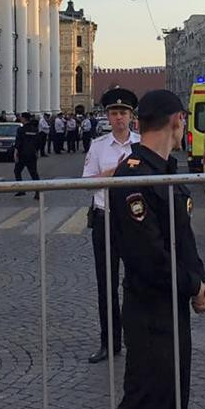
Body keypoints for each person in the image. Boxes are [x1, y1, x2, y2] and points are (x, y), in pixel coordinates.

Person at [106, 89, 205, 409]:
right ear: (177, 121)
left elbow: (183, 238)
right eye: (184, 121)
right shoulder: (133, 174)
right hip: (149, 308)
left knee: (174, 401)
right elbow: (148, 256)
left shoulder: (168, 170)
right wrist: (191, 284)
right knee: (144, 405)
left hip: (174, 307)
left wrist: (201, 281)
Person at [81, 87, 140, 364]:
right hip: (105, 218)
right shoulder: (98, 147)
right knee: (106, 283)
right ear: (107, 116)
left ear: (131, 116)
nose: (119, 118)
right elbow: (86, 182)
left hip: (136, 221)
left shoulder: (142, 145)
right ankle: (109, 341)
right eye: (114, 113)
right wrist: (114, 172)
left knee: (137, 281)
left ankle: (137, 339)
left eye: (123, 113)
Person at [13, 112, 42, 199]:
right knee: (34, 174)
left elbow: (18, 142)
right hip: (32, 154)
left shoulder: (21, 130)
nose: (20, 118)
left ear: (24, 119)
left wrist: (15, 153)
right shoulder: (35, 129)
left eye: (21, 117)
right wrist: (36, 151)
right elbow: (38, 142)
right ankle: (37, 192)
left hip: (22, 154)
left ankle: (21, 189)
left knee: (17, 171)